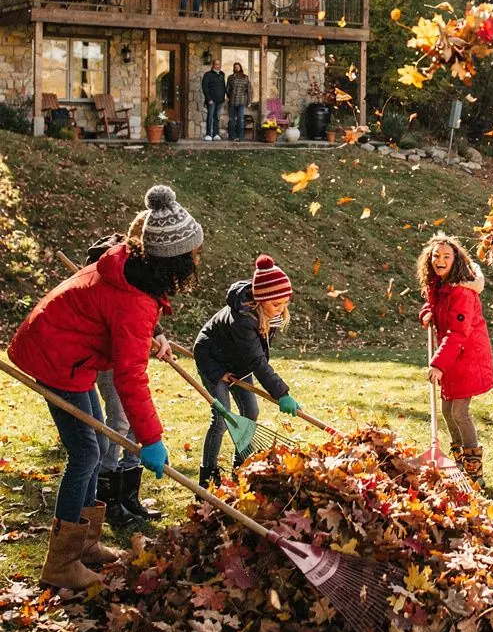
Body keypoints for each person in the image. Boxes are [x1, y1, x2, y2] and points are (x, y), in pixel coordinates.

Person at [8, 186, 203, 591]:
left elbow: (123, 313)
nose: (196, 261)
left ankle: (86, 542)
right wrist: (151, 439)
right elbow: (130, 376)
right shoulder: (135, 300)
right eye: (192, 255)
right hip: (56, 355)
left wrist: (154, 331)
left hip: (67, 350)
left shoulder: (132, 268)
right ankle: (61, 563)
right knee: (85, 453)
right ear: (172, 260)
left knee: (96, 444)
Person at [84, 232, 172, 527]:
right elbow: (122, 304)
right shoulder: (109, 266)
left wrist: (158, 333)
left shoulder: (136, 269)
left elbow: (140, 298)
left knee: (135, 425)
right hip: (109, 356)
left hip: (127, 352)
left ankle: (128, 496)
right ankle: (107, 498)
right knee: (119, 422)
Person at [193, 255, 301, 486]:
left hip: (238, 363)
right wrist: (281, 393)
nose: (281, 309)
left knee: (251, 412)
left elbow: (255, 354)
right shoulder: (242, 320)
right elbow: (257, 360)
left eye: (285, 303)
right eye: (276, 304)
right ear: (261, 300)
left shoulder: (267, 314)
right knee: (221, 419)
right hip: (212, 360)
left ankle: (241, 466)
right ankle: (208, 475)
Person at [416, 234, 493, 487]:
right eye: (436, 256)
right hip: (453, 356)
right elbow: (434, 306)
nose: (440, 260)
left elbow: (458, 332)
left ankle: (474, 471)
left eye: (446, 256)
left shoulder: (461, 291)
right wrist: (427, 312)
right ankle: (459, 461)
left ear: (455, 260)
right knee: (447, 410)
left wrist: (438, 364)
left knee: (460, 411)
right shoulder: (438, 285)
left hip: (468, 357)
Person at [226, 61, 253, 142]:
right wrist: (230, 96)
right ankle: (231, 136)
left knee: (240, 119)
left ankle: (240, 137)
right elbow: (227, 89)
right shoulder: (230, 77)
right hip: (232, 102)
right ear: (233, 68)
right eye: (235, 67)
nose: (236, 68)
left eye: (238, 67)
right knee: (231, 119)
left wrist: (249, 101)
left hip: (241, 102)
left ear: (240, 68)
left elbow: (249, 90)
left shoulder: (245, 77)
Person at [202, 58, 226, 141]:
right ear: (213, 65)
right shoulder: (207, 75)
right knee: (210, 117)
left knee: (217, 117)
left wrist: (224, 98)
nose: (217, 66)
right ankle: (208, 134)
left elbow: (223, 87)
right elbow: (205, 87)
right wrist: (208, 99)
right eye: (216, 64)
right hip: (211, 100)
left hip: (220, 100)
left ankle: (216, 134)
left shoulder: (222, 74)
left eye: (219, 64)